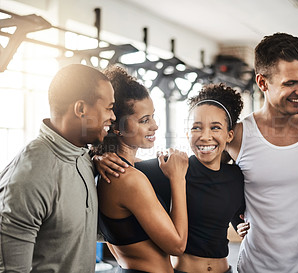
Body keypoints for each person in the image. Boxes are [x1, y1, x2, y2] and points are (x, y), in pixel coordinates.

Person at [225, 33, 298, 272]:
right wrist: (234, 217)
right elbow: (206, 179)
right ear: (262, 83)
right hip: (256, 267)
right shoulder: (238, 136)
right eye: (290, 83)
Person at [96, 83, 245, 273]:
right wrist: (98, 157)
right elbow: (125, 167)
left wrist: (244, 227)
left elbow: (238, 214)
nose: (206, 136)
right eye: (197, 128)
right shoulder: (168, 169)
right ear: (187, 133)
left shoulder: (236, 176)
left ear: (229, 134)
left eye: (215, 127)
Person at [0, 64, 116, 272]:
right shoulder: (27, 179)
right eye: (108, 107)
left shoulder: (83, 156)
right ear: (81, 109)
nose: (113, 116)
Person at [95, 65, 189, 273]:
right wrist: (178, 178)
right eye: (144, 120)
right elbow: (177, 245)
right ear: (116, 126)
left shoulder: (111, 166)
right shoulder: (127, 178)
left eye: (153, 116)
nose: (154, 126)